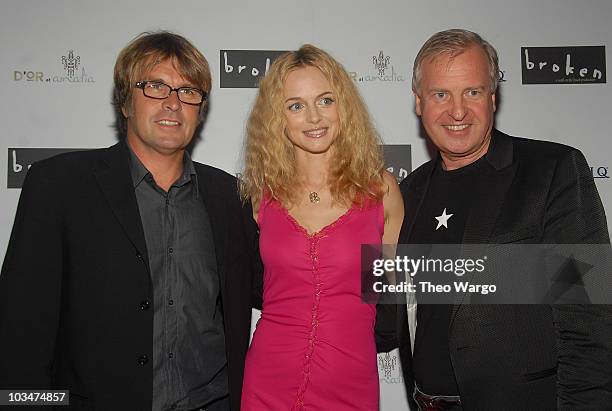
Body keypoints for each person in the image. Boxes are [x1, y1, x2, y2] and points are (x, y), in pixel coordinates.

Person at [0, 31, 260, 411]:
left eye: (188, 91)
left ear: (200, 109)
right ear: (125, 101)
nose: (173, 103)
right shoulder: (59, 185)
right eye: (155, 86)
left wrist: (380, 275)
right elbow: (19, 328)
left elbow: (287, 284)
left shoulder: (229, 196)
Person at [397, 28, 612, 410]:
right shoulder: (408, 193)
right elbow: (395, 308)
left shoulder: (552, 171)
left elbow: (588, 314)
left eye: (472, 92)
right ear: (419, 102)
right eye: (440, 94)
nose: (457, 111)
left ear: (493, 98)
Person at [238, 44, 404, 410]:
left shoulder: (381, 191)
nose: (314, 117)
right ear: (276, 118)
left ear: (343, 105)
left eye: (325, 100)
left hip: (350, 382)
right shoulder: (261, 195)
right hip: (267, 381)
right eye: (295, 105)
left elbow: (396, 300)